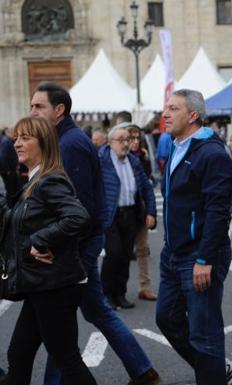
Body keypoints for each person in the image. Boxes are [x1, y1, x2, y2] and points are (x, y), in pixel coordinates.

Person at [30, 82, 160, 385]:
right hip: (80, 244)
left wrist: (61, 243)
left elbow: (78, 205)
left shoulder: (70, 144)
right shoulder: (65, 139)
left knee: (61, 320)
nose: (33, 111)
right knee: (93, 312)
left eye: (39, 106)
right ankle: (143, 370)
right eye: (32, 105)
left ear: (59, 110)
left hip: (77, 247)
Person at [0, 117, 96, 385]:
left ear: (44, 144)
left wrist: (39, 241)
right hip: (40, 284)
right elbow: (19, 222)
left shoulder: (49, 180)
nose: (17, 143)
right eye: (16, 137)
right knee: (19, 353)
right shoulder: (33, 181)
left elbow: (78, 217)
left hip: (54, 285)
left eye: (25, 138)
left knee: (66, 359)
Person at [156, 89, 232, 385]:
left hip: (200, 255)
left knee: (204, 335)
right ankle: (218, 370)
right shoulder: (174, 144)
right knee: (166, 318)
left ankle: (213, 374)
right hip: (173, 253)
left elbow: (218, 212)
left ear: (192, 115)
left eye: (173, 108)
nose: (165, 113)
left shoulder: (211, 153)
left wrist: (204, 258)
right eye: (166, 108)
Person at [99, 125, 156, 309]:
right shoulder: (101, 160)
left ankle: (120, 294)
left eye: (127, 140)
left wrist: (151, 212)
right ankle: (107, 294)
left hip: (131, 214)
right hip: (111, 216)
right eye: (121, 140)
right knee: (113, 254)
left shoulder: (133, 160)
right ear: (110, 142)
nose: (125, 144)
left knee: (124, 256)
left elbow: (146, 188)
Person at [127, 125, 158, 301]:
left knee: (143, 249)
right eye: (131, 138)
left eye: (137, 138)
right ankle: (117, 289)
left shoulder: (143, 157)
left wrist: (151, 212)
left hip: (140, 209)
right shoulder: (116, 158)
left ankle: (144, 286)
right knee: (120, 252)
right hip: (123, 212)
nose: (135, 142)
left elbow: (147, 186)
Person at [0, 131, 21, 203]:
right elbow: (2, 157)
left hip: (10, 171)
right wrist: (7, 170)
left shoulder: (6, 141)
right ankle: (11, 209)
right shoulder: (6, 142)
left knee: (14, 190)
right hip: (9, 172)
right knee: (11, 191)